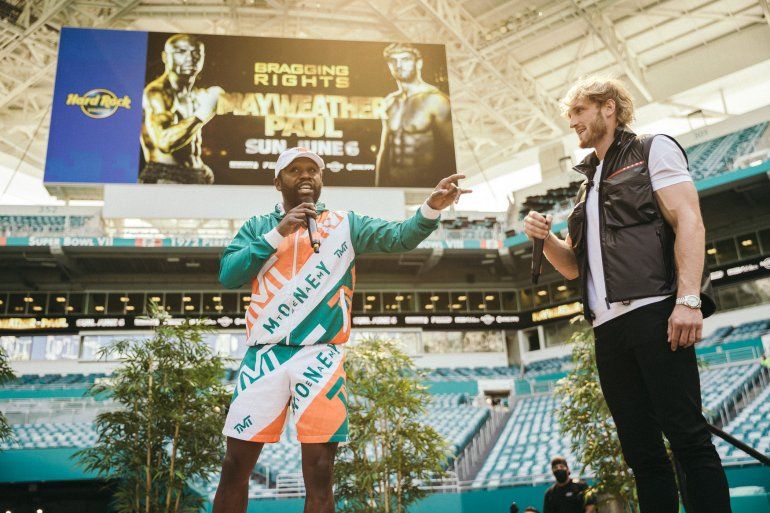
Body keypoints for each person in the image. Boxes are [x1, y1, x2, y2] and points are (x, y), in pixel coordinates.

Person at [212, 146, 469, 513]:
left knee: (320, 473)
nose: (305, 176)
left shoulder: (346, 224)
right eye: (295, 170)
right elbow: (229, 275)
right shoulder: (257, 226)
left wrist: (430, 208)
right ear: (277, 181)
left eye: (312, 171)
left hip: (322, 355)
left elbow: (400, 237)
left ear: (321, 180)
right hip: (264, 356)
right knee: (234, 468)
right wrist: (278, 233)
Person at [523, 76, 731, 512]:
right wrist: (545, 240)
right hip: (608, 330)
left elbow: (689, 221)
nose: (573, 122)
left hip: (655, 313)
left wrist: (688, 300)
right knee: (641, 455)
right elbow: (578, 268)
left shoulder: (653, 149)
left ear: (608, 108)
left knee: (688, 439)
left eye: (579, 111)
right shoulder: (586, 186)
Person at [140, 34, 223, 184]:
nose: (190, 58)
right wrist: (203, 113)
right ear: (165, 57)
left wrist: (199, 166)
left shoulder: (194, 94)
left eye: (196, 52)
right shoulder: (156, 92)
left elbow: (187, 144)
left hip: (195, 174)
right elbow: (164, 142)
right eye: (181, 52)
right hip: (164, 175)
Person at [375, 43, 454, 188]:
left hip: (425, 184)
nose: (399, 65)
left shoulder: (435, 99)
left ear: (418, 63)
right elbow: (384, 150)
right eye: (393, 61)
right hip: (393, 184)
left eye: (405, 59)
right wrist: (378, 190)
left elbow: (449, 151)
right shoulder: (390, 102)